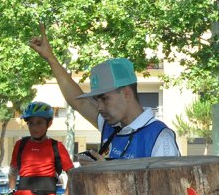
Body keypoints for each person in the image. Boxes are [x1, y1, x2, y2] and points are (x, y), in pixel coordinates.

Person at [28, 24, 180, 160]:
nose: (99, 107)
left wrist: (107, 173)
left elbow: (168, 190)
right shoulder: (111, 126)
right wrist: (50, 58)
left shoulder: (160, 138)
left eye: (104, 98)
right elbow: (78, 101)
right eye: (97, 100)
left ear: (126, 93)